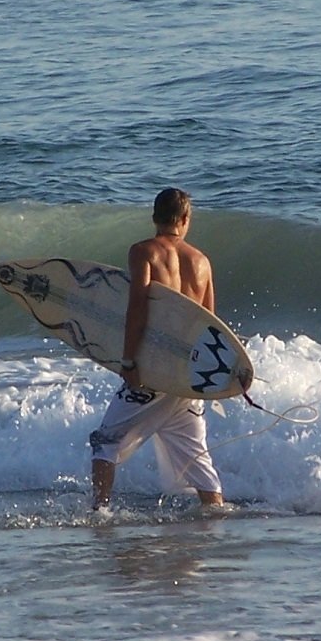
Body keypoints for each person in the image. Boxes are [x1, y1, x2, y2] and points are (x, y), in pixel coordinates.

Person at [88, 188, 226, 511]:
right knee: (199, 464)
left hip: (153, 374)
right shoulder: (202, 262)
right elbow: (210, 325)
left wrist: (129, 360)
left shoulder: (143, 252)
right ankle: (216, 515)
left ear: (154, 217)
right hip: (186, 379)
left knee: (104, 443)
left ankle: (100, 514)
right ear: (186, 219)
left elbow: (138, 307)